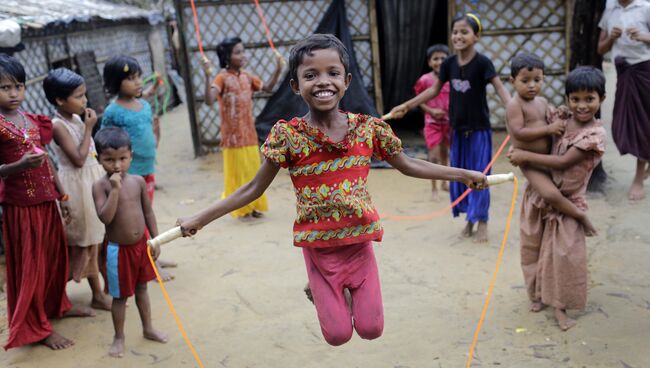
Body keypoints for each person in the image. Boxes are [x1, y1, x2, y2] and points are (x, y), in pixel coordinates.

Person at [177, 34, 487, 346]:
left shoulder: (367, 130)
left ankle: (328, 294)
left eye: (332, 73)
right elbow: (253, 189)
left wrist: (462, 174)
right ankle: (320, 287)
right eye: (310, 75)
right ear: (296, 86)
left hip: (358, 245)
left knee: (371, 329)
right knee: (337, 335)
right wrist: (200, 219)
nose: (323, 82)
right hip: (319, 249)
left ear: (347, 80)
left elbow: (408, 164)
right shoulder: (289, 136)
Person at [387, 14, 511, 242]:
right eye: (455, 32)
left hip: (479, 131)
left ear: (477, 36)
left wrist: (514, 109)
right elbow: (433, 90)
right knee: (463, 176)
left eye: (464, 32)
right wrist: (407, 105)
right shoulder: (449, 64)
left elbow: (501, 90)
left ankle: (482, 221)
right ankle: (470, 220)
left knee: (481, 175)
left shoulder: (483, 63)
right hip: (457, 131)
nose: (458, 36)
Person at [0, 54, 93, 351]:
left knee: (54, 259)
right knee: (33, 266)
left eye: (18, 86)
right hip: (21, 208)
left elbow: (46, 163)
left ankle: (57, 306)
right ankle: (37, 327)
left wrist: (61, 195)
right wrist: (19, 166)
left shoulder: (29, 120)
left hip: (46, 202)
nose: (14, 94)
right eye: (4, 88)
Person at [508, 66, 607, 330]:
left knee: (564, 257)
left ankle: (561, 308)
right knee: (534, 247)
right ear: (567, 100)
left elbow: (563, 162)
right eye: (575, 99)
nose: (582, 106)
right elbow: (525, 125)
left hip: (568, 202)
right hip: (540, 195)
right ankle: (538, 294)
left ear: (602, 100)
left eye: (590, 99)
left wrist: (524, 156)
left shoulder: (594, 135)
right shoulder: (561, 118)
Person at [92, 127, 167, 357]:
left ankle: (148, 328)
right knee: (120, 296)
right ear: (99, 159)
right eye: (109, 160)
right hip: (117, 252)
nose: (116, 166)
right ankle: (119, 336)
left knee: (143, 287)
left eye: (122, 159)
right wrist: (114, 190)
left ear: (131, 156)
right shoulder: (100, 186)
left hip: (141, 246)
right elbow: (105, 217)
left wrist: (155, 239)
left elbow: (148, 213)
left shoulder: (138, 182)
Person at [101, 55, 176, 280]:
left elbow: (149, 131)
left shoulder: (143, 104)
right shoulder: (112, 111)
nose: (137, 82)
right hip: (128, 174)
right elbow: (104, 140)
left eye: (138, 76)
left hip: (147, 169)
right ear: (116, 83)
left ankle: (153, 254)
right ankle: (148, 265)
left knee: (146, 210)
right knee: (136, 218)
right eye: (130, 78)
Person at [44, 68, 112, 311]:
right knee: (83, 242)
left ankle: (100, 291)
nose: (84, 101)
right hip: (77, 186)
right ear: (60, 100)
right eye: (78, 96)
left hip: (91, 182)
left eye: (84, 95)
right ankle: (60, 295)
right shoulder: (58, 125)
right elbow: (79, 159)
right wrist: (88, 128)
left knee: (96, 239)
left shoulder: (74, 118)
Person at [200, 36, 284, 219]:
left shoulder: (247, 77)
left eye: (243, 51)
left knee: (253, 174)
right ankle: (241, 209)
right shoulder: (221, 78)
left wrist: (278, 69)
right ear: (227, 57)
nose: (243, 55)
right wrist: (207, 75)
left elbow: (268, 88)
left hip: (249, 135)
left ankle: (253, 207)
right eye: (238, 52)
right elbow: (208, 100)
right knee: (237, 176)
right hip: (232, 138)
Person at [597, 0, 650, 200]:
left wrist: (643, 37)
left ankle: (638, 178)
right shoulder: (610, 9)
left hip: (645, 70)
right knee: (620, 126)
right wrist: (611, 37)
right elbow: (600, 49)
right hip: (623, 72)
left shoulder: (645, 8)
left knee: (643, 125)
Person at [413, 44, 451, 200]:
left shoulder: (451, 79)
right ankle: (434, 188)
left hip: (448, 123)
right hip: (432, 123)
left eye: (443, 58)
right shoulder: (425, 80)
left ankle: (444, 183)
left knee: (445, 154)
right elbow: (418, 100)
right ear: (429, 62)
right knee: (434, 157)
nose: (440, 61)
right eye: (436, 58)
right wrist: (431, 111)